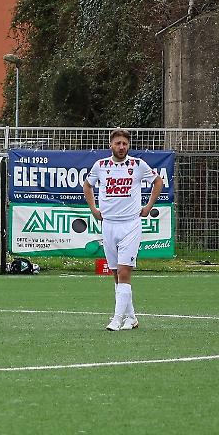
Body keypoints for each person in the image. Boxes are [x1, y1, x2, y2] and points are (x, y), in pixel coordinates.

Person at [81, 128, 165, 331]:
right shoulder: (101, 166)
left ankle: (116, 320)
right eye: (118, 143)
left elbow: (158, 182)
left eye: (124, 144)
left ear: (128, 146)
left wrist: (148, 207)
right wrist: (94, 209)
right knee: (116, 274)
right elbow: (87, 185)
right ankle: (132, 317)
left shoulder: (137, 165)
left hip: (130, 225)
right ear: (111, 145)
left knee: (125, 271)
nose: (121, 147)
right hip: (108, 224)